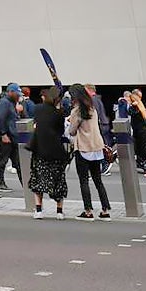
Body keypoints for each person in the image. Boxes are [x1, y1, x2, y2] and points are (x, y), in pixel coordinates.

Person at [66, 85, 112, 221]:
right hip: (96, 147)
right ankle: (105, 210)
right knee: (98, 180)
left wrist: (69, 123)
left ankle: (88, 210)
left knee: (84, 181)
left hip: (83, 147)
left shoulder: (77, 111)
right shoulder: (92, 109)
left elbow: (72, 131)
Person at [28, 86, 68, 219]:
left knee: (38, 178)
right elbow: (61, 131)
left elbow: (36, 124)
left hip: (40, 148)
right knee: (58, 180)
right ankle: (59, 211)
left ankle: (39, 210)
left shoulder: (38, 109)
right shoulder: (59, 113)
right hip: (56, 150)